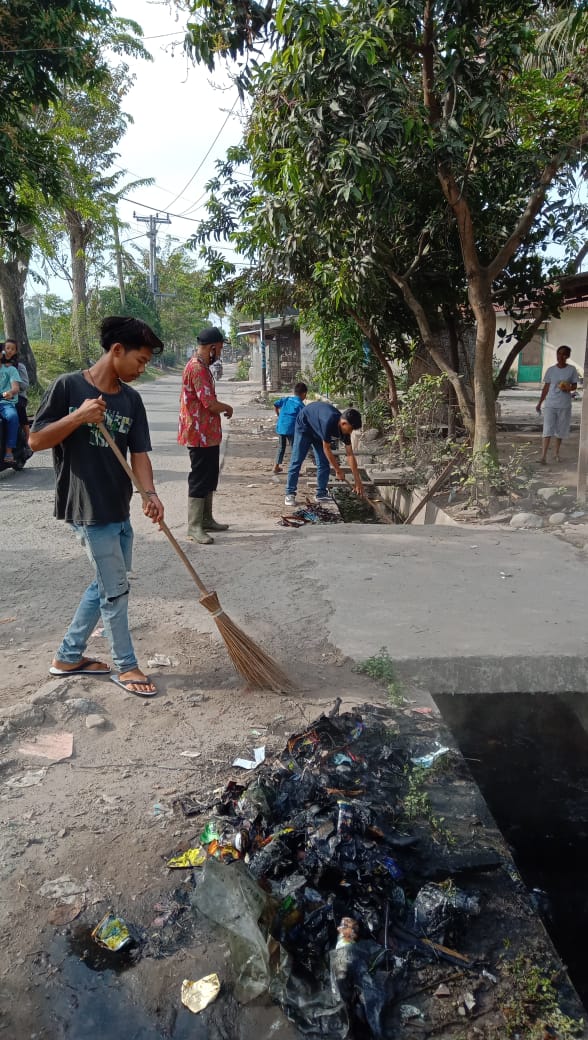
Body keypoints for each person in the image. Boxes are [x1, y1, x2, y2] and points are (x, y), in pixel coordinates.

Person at [29, 316, 165, 698]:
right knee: (116, 590)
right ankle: (126, 665)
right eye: (140, 360)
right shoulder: (68, 387)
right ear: (116, 350)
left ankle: (68, 657)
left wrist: (150, 495)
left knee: (106, 584)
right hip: (86, 506)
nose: (142, 369)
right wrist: (79, 416)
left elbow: (139, 453)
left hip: (117, 505)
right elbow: (36, 440)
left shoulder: (131, 400)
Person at [178, 326, 233, 544]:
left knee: (210, 475)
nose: (219, 353)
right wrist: (227, 407)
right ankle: (194, 526)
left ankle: (206, 519)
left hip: (207, 433)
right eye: (218, 349)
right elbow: (209, 403)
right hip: (198, 433)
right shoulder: (197, 369)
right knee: (200, 477)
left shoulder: (201, 366)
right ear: (211, 348)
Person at [284, 400, 365, 506]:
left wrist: (357, 481)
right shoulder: (328, 421)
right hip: (304, 427)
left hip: (318, 431)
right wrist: (338, 470)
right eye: (350, 429)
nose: (350, 433)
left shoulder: (344, 429)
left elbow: (350, 455)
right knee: (297, 460)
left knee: (323, 463)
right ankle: (290, 493)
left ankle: (321, 494)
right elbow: (327, 449)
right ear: (344, 423)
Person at [535, 345, 578, 464]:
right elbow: (546, 387)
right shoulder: (551, 370)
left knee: (560, 430)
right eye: (559, 353)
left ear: (568, 356)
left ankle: (556, 453)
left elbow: (575, 385)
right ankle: (543, 456)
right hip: (550, 404)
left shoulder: (572, 370)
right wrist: (540, 403)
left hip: (564, 404)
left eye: (564, 354)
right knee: (547, 429)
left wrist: (568, 388)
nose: (560, 356)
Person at [273, 381, 307, 474]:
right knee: (294, 448)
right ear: (304, 394)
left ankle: (276, 466)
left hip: (281, 427)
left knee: (281, 447)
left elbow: (275, 405)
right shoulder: (301, 405)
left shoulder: (286, 399)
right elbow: (303, 419)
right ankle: (294, 470)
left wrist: (279, 416)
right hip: (292, 429)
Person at [3, 338, 31, 450]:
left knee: (17, 406)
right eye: (7, 348)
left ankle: (28, 440)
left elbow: (25, 384)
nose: (9, 351)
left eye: (12, 349)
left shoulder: (20, 367)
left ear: (15, 351)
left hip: (19, 396)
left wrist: (13, 388)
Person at [0, 348, 21, 465]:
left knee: (12, 417)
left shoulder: (10, 370)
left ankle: (9, 451)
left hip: (5, 403)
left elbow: (16, 387)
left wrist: (10, 393)